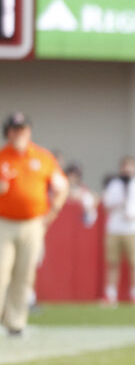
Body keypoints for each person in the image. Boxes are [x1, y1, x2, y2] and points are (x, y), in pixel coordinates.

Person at [0, 112, 68, 336]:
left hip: (32, 223)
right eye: (14, 129)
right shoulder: (2, 157)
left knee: (25, 273)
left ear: (28, 131)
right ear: (8, 132)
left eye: (22, 129)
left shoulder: (43, 157)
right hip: (4, 222)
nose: (19, 133)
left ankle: (15, 322)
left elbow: (60, 186)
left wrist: (54, 211)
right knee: (1, 272)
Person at [102, 156, 135, 306]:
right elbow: (105, 207)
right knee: (113, 263)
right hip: (115, 229)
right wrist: (120, 202)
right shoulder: (114, 185)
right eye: (125, 167)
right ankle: (110, 294)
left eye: (130, 167)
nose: (127, 170)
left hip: (134, 229)